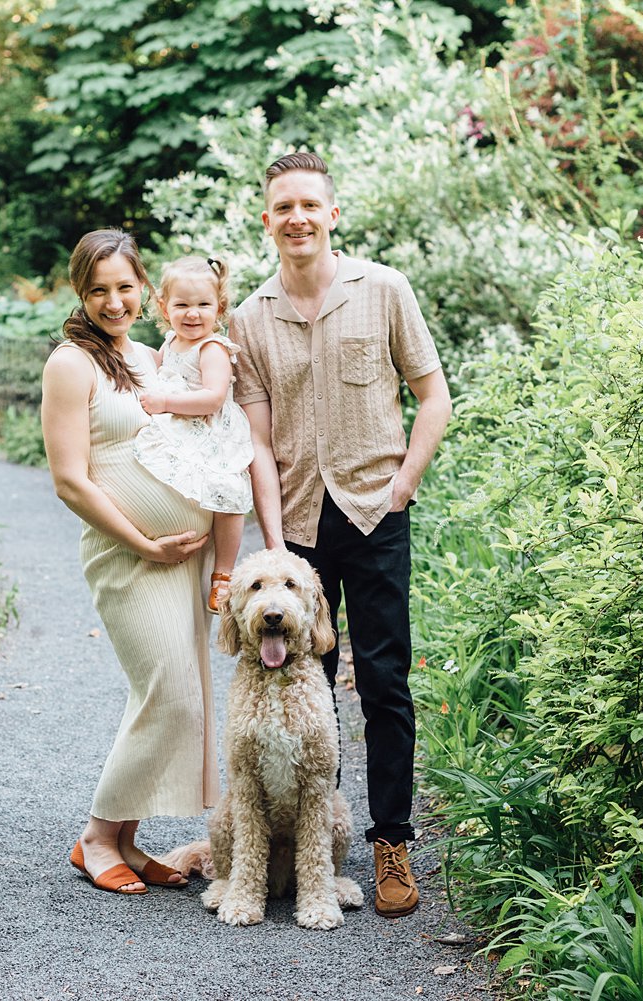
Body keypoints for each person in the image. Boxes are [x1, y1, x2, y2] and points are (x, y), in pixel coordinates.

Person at [231, 152, 452, 918]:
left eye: (308, 205)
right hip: (295, 522)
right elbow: (257, 437)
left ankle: (390, 840)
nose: (296, 217)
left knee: (385, 680)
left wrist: (406, 483)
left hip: (375, 511)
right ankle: (309, 842)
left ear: (332, 213)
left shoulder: (383, 289)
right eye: (282, 206)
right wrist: (271, 541)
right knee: (301, 685)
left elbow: (433, 394)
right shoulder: (250, 317)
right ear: (268, 220)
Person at [41, 229, 219, 895]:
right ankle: (94, 836)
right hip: (127, 556)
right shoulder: (70, 363)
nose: (114, 300)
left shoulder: (152, 356)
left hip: (182, 559)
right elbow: (70, 479)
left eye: (124, 286)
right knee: (168, 692)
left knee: (175, 697)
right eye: (99, 289)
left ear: (143, 286)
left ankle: (129, 839)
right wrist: (143, 540)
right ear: (80, 294)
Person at [132, 256, 253, 614]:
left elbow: (213, 399)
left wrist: (166, 402)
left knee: (228, 496)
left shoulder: (212, 348)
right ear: (164, 308)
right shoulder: (170, 344)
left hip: (214, 431)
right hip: (183, 426)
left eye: (203, 305)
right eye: (182, 304)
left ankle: (224, 575)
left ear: (220, 307)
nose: (193, 313)